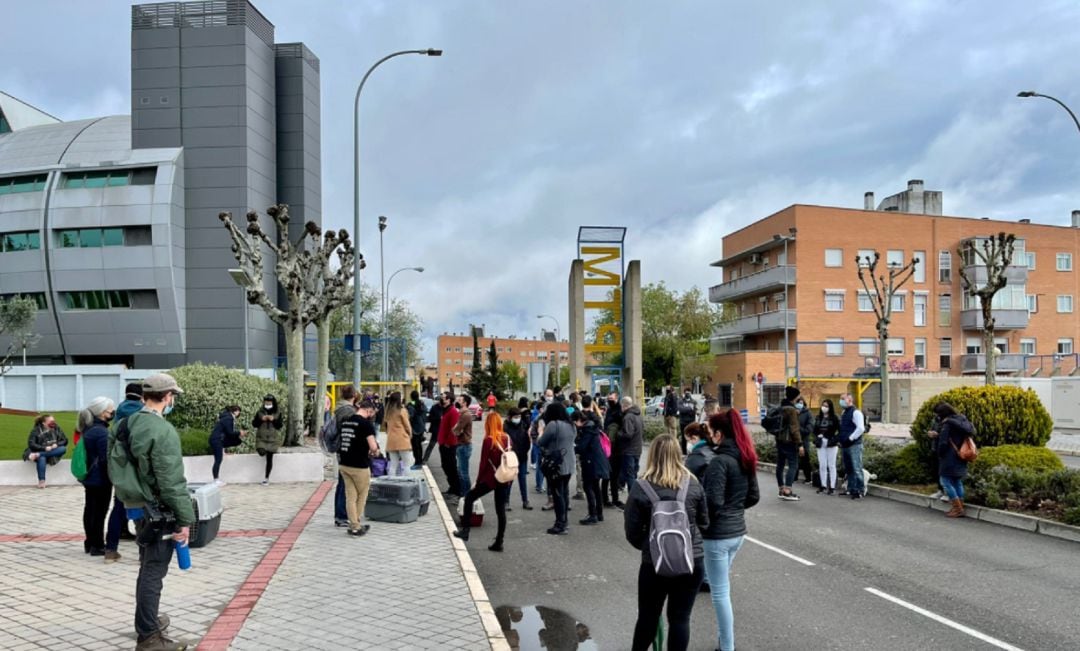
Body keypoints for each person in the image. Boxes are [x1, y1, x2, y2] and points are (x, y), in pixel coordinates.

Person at [108, 373, 193, 651]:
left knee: (147, 566)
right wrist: (185, 520)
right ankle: (149, 637)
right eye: (172, 397)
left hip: (134, 505)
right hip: (158, 509)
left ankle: (149, 620)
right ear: (168, 397)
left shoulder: (123, 424)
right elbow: (171, 482)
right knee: (153, 571)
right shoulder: (162, 431)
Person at [623, 434, 709, 651]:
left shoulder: (641, 487)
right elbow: (704, 522)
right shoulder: (693, 484)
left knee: (648, 617)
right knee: (680, 619)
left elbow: (632, 532)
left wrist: (651, 547)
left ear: (652, 455)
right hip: (691, 560)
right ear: (678, 455)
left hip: (655, 563)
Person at [702, 410, 760, 651]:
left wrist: (702, 522)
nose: (709, 436)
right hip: (738, 533)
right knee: (721, 589)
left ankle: (727, 646)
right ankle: (723, 642)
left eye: (711, 432)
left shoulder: (719, 462)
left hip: (717, 536)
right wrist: (734, 509)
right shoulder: (746, 457)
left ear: (719, 434)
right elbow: (753, 496)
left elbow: (712, 502)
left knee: (720, 594)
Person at [454, 411, 512, 551]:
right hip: (504, 477)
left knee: (469, 498)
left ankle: (465, 531)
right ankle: (499, 541)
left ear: (488, 424)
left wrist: (477, 481)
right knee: (500, 511)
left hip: (490, 478)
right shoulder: (507, 438)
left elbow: (483, 463)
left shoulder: (489, 440)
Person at [81, 397, 118, 560]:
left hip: (90, 476)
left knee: (90, 509)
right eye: (110, 410)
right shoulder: (101, 432)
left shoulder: (89, 428)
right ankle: (97, 544)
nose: (112, 412)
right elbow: (105, 458)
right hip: (100, 478)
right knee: (99, 512)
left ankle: (90, 542)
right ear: (102, 413)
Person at [338, 399, 381, 537]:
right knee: (362, 495)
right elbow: (373, 447)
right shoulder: (365, 424)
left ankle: (354, 525)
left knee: (350, 496)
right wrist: (376, 452)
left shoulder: (346, 421)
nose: (371, 416)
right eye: (371, 413)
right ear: (369, 410)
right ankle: (356, 525)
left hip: (344, 464)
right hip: (359, 466)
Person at [928, 402, 975, 518]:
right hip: (961, 454)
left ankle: (957, 508)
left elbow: (944, 443)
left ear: (942, 414)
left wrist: (939, 453)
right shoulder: (962, 420)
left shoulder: (947, 424)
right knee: (957, 481)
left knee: (945, 481)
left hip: (949, 456)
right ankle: (960, 506)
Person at [537, 401, 575, 535]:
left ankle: (560, 524)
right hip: (569, 463)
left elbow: (541, 442)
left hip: (556, 465)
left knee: (557, 494)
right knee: (564, 493)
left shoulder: (553, 425)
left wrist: (541, 431)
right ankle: (565, 521)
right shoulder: (571, 425)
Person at [572, 408, 609, 524]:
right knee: (595, 487)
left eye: (574, 423)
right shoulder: (593, 427)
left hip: (591, 462)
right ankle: (599, 513)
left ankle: (593, 515)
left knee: (588, 487)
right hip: (597, 461)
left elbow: (582, 447)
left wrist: (573, 447)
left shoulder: (587, 430)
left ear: (578, 420)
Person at [332, 386, 358, 527]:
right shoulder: (348, 411)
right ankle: (342, 515)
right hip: (346, 449)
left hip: (341, 448)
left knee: (342, 482)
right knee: (345, 483)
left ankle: (340, 514)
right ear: (354, 395)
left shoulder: (339, 408)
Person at [613, 396, 644, 510]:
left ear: (624, 405)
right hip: (638, 449)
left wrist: (618, 434)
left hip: (629, 450)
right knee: (633, 474)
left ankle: (632, 502)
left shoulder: (628, 417)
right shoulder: (638, 415)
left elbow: (627, 434)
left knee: (630, 475)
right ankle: (634, 496)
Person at [775, 385, 804, 501]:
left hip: (779, 440)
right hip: (789, 441)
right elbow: (794, 429)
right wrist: (800, 444)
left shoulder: (780, 407)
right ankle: (788, 490)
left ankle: (781, 489)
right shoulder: (791, 410)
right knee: (793, 465)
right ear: (794, 397)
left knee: (780, 465)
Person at [24, 414, 68, 488]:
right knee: (42, 458)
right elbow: (31, 444)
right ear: (44, 423)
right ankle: (42, 481)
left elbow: (65, 440)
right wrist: (44, 448)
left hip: (52, 452)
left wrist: (57, 444)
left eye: (53, 421)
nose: (53, 423)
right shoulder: (36, 430)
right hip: (41, 450)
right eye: (51, 421)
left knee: (63, 449)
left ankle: (39, 454)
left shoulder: (57, 428)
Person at [837, 392, 866, 500]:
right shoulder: (844, 412)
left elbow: (861, 428)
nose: (841, 401)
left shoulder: (856, 412)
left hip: (854, 444)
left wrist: (851, 438)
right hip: (845, 444)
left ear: (850, 400)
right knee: (849, 468)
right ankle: (851, 489)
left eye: (843, 399)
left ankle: (859, 490)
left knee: (856, 468)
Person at [505, 407, 533, 510]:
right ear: (510, 417)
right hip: (511, 458)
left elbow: (527, 441)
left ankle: (525, 501)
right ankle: (506, 501)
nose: (518, 419)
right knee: (509, 480)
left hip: (522, 457)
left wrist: (525, 450)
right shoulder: (505, 427)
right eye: (516, 417)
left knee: (522, 479)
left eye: (519, 417)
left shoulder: (523, 425)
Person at [436, 393, 462, 498]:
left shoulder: (453, 412)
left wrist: (447, 443)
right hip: (443, 443)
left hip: (449, 445)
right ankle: (452, 487)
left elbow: (454, 430)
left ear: (450, 400)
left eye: (444, 398)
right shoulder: (445, 410)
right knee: (445, 466)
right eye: (441, 398)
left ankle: (456, 490)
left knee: (451, 467)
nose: (442, 400)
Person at [209, 406, 244, 485]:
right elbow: (230, 433)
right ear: (236, 411)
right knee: (218, 460)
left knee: (237, 440)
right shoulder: (229, 418)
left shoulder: (225, 417)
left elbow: (225, 433)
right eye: (239, 412)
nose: (239, 414)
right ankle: (216, 480)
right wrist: (240, 433)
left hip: (216, 439)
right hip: (217, 440)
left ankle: (223, 450)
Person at [252, 395, 283, 485]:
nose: (267, 404)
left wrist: (273, 420)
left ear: (273, 403)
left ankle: (266, 478)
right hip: (261, 437)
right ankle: (263, 450)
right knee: (261, 451)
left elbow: (279, 426)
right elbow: (254, 424)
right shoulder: (260, 412)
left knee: (269, 458)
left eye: (269, 402)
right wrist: (262, 419)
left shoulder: (278, 412)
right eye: (266, 402)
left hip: (273, 439)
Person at [813, 399, 841, 495]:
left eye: (826, 406)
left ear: (830, 407)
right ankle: (823, 485)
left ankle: (832, 486)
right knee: (822, 465)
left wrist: (834, 439)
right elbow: (814, 430)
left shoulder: (835, 418)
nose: (824, 407)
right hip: (820, 443)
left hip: (831, 443)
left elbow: (840, 431)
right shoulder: (818, 417)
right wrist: (817, 437)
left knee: (831, 465)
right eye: (823, 405)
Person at [384, 391, 413, 476]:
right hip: (402, 439)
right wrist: (410, 434)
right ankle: (406, 483)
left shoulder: (388, 411)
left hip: (391, 439)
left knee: (393, 464)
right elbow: (407, 425)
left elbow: (385, 425)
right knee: (407, 464)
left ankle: (391, 483)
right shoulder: (402, 410)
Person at [601, 392, 622, 508]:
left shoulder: (619, 410)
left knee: (614, 476)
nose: (610, 400)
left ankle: (614, 498)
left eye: (612, 398)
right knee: (607, 475)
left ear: (617, 398)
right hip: (608, 448)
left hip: (616, 448)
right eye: (608, 398)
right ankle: (606, 498)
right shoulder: (609, 410)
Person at [453, 395, 476, 496]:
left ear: (465, 403)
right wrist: (456, 429)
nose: (457, 401)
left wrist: (455, 429)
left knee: (463, 473)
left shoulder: (465, 415)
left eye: (460, 400)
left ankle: (467, 496)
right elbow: (457, 430)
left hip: (464, 445)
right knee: (460, 472)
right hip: (461, 445)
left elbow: (456, 431)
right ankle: (464, 494)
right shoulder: (461, 413)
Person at [795, 397, 814, 485]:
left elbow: (809, 429)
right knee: (794, 459)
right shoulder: (794, 412)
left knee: (805, 459)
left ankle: (808, 478)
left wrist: (799, 429)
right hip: (794, 440)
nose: (799, 404)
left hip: (804, 440)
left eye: (801, 402)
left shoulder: (808, 413)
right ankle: (794, 477)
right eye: (798, 402)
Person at [407, 390, 427, 470]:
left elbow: (410, 416)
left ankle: (417, 462)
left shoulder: (411, 405)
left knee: (415, 447)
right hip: (421, 427)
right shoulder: (422, 404)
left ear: (411, 396)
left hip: (414, 428)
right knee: (419, 446)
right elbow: (425, 413)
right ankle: (420, 461)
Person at [422, 392, 444, 465]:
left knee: (444, 448)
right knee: (431, 445)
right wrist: (438, 418)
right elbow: (430, 418)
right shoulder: (434, 407)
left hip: (444, 431)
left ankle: (445, 461)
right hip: (436, 430)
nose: (439, 403)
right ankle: (425, 459)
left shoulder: (446, 407)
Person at [677, 389, 698, 454]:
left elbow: (694, 411)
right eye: (686, 393)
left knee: (692, 437)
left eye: (688, 393)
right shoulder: (680, 401)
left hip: (691, 422)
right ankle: (684, 452)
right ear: (684, 393)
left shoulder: (694, 401)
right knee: (684, 438)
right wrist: (689, 408)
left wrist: (687, 409)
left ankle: (692, 452)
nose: (687, 394)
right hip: (683, 422)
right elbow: (681, 409)